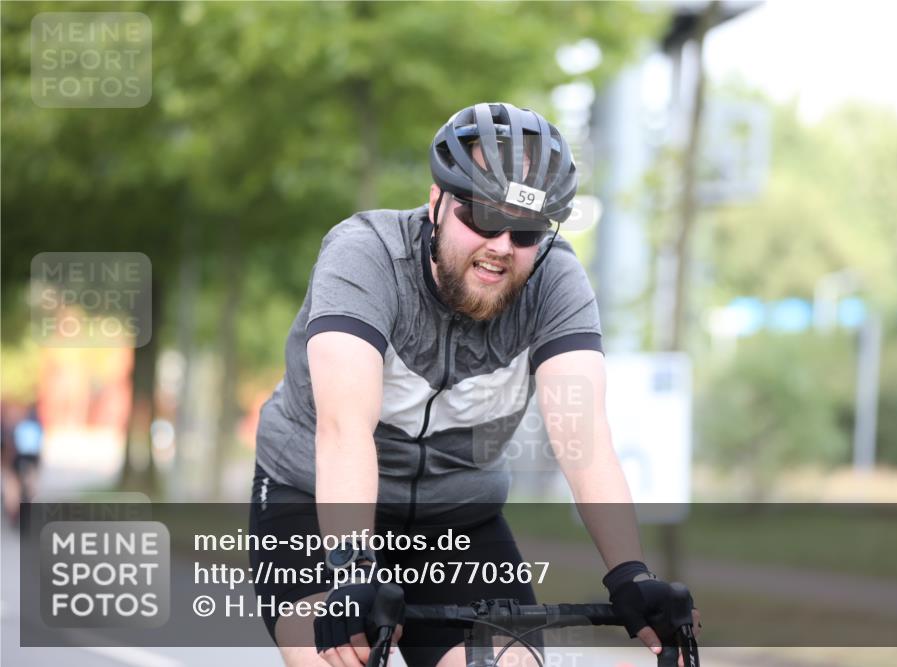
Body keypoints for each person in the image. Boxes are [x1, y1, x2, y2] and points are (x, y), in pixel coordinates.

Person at [249, 102, 700, 667]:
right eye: (484, 218)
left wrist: (631, 574)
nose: (502, 245)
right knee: (335, 654)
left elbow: (585, 443)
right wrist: (351, 574)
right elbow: (344, 431)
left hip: (458, 519)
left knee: (506, 662)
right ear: (438, 201)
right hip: (311, 498)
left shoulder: (554, 282)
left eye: (527, 229)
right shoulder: (364, 256)